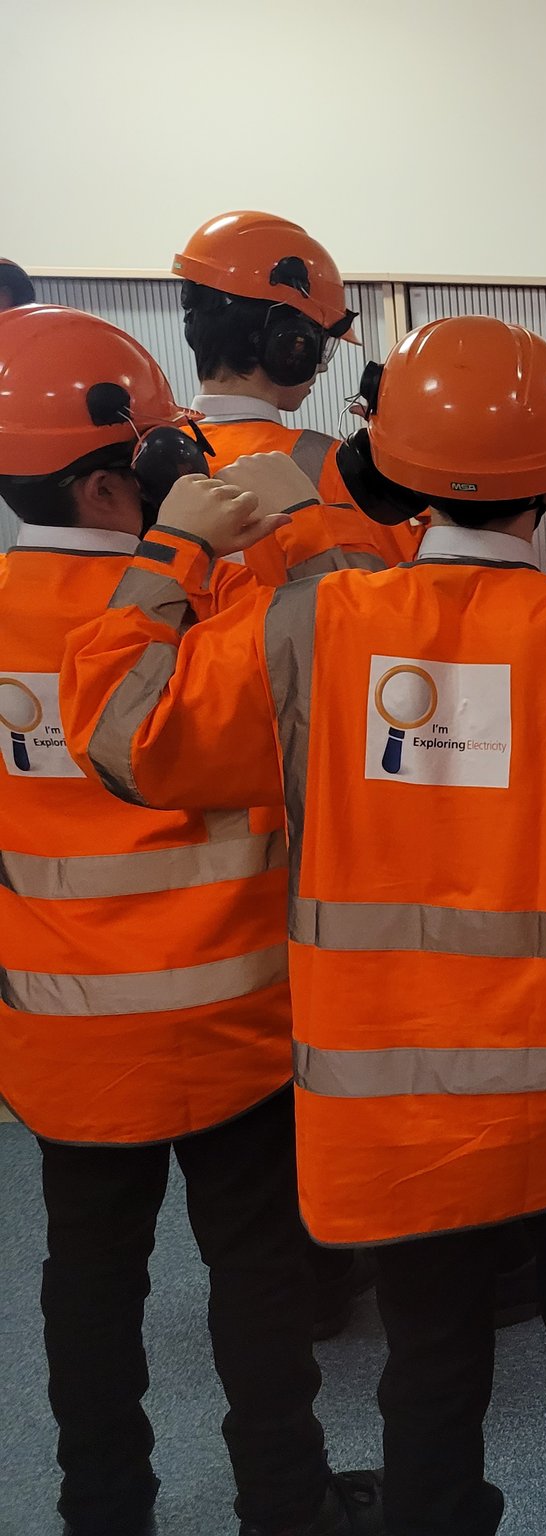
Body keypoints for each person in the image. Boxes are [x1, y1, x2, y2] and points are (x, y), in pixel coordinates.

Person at [59, 315, 546, 1536]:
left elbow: (127, 735)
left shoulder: (301, 626)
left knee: (428, 1360)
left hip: (389, 1106)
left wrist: (173, 552)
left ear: (381, 469)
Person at [0, 302, 380, 1536]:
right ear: (114, 480)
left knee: (86, 1280)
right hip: (233, 1021)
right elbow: (351, 640)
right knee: (259, 1277)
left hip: (62, 1037)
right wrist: (274, 521)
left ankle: (102, 1507)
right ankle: (285, 1504)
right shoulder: (218, 613)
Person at [175, 210, 421, 584]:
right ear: (292, 345)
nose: (320, 368)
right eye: (319, 347)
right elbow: (405, 589)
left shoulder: (137, 465)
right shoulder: (331, 467)